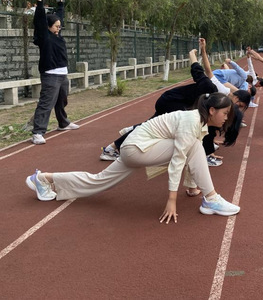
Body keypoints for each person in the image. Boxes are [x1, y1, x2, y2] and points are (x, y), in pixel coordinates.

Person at [26, 93, 241, 222]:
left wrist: (192, 187)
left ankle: (44, 179)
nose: (226, 119)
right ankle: (211, 199)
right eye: (225, 113)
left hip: (136, 147)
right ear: (211, 110)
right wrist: (171, 200)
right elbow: (178, 160)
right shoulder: (191, 122)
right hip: (137, 149)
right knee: (192, 146)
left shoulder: (196, 121)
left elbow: (189, 157)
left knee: (97, 181)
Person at [100, 41, 246, 166]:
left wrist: (210, 149)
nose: (225, 119)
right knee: (158, 128)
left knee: (151, 126)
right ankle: (114, 147)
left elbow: (210, 132)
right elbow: (197, 70)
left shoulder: (219, 102)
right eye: (227, 115)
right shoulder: (210, 89)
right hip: (171, 102)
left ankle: (118, 142)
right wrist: (192, 54)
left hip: (177, 104)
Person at [30, 0, 79, 145]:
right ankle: (38, 132)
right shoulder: (45, 36)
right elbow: (39, 20)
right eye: (56, 26)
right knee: (46, 104)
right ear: (48, 26)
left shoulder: (57, 35)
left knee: (61, 101)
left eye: (60, 26)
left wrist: (61, 5)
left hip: (62, 74)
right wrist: (39, 1)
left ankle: (63, 123)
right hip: (50, 75)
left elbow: (59, 18)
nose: (59, 28)